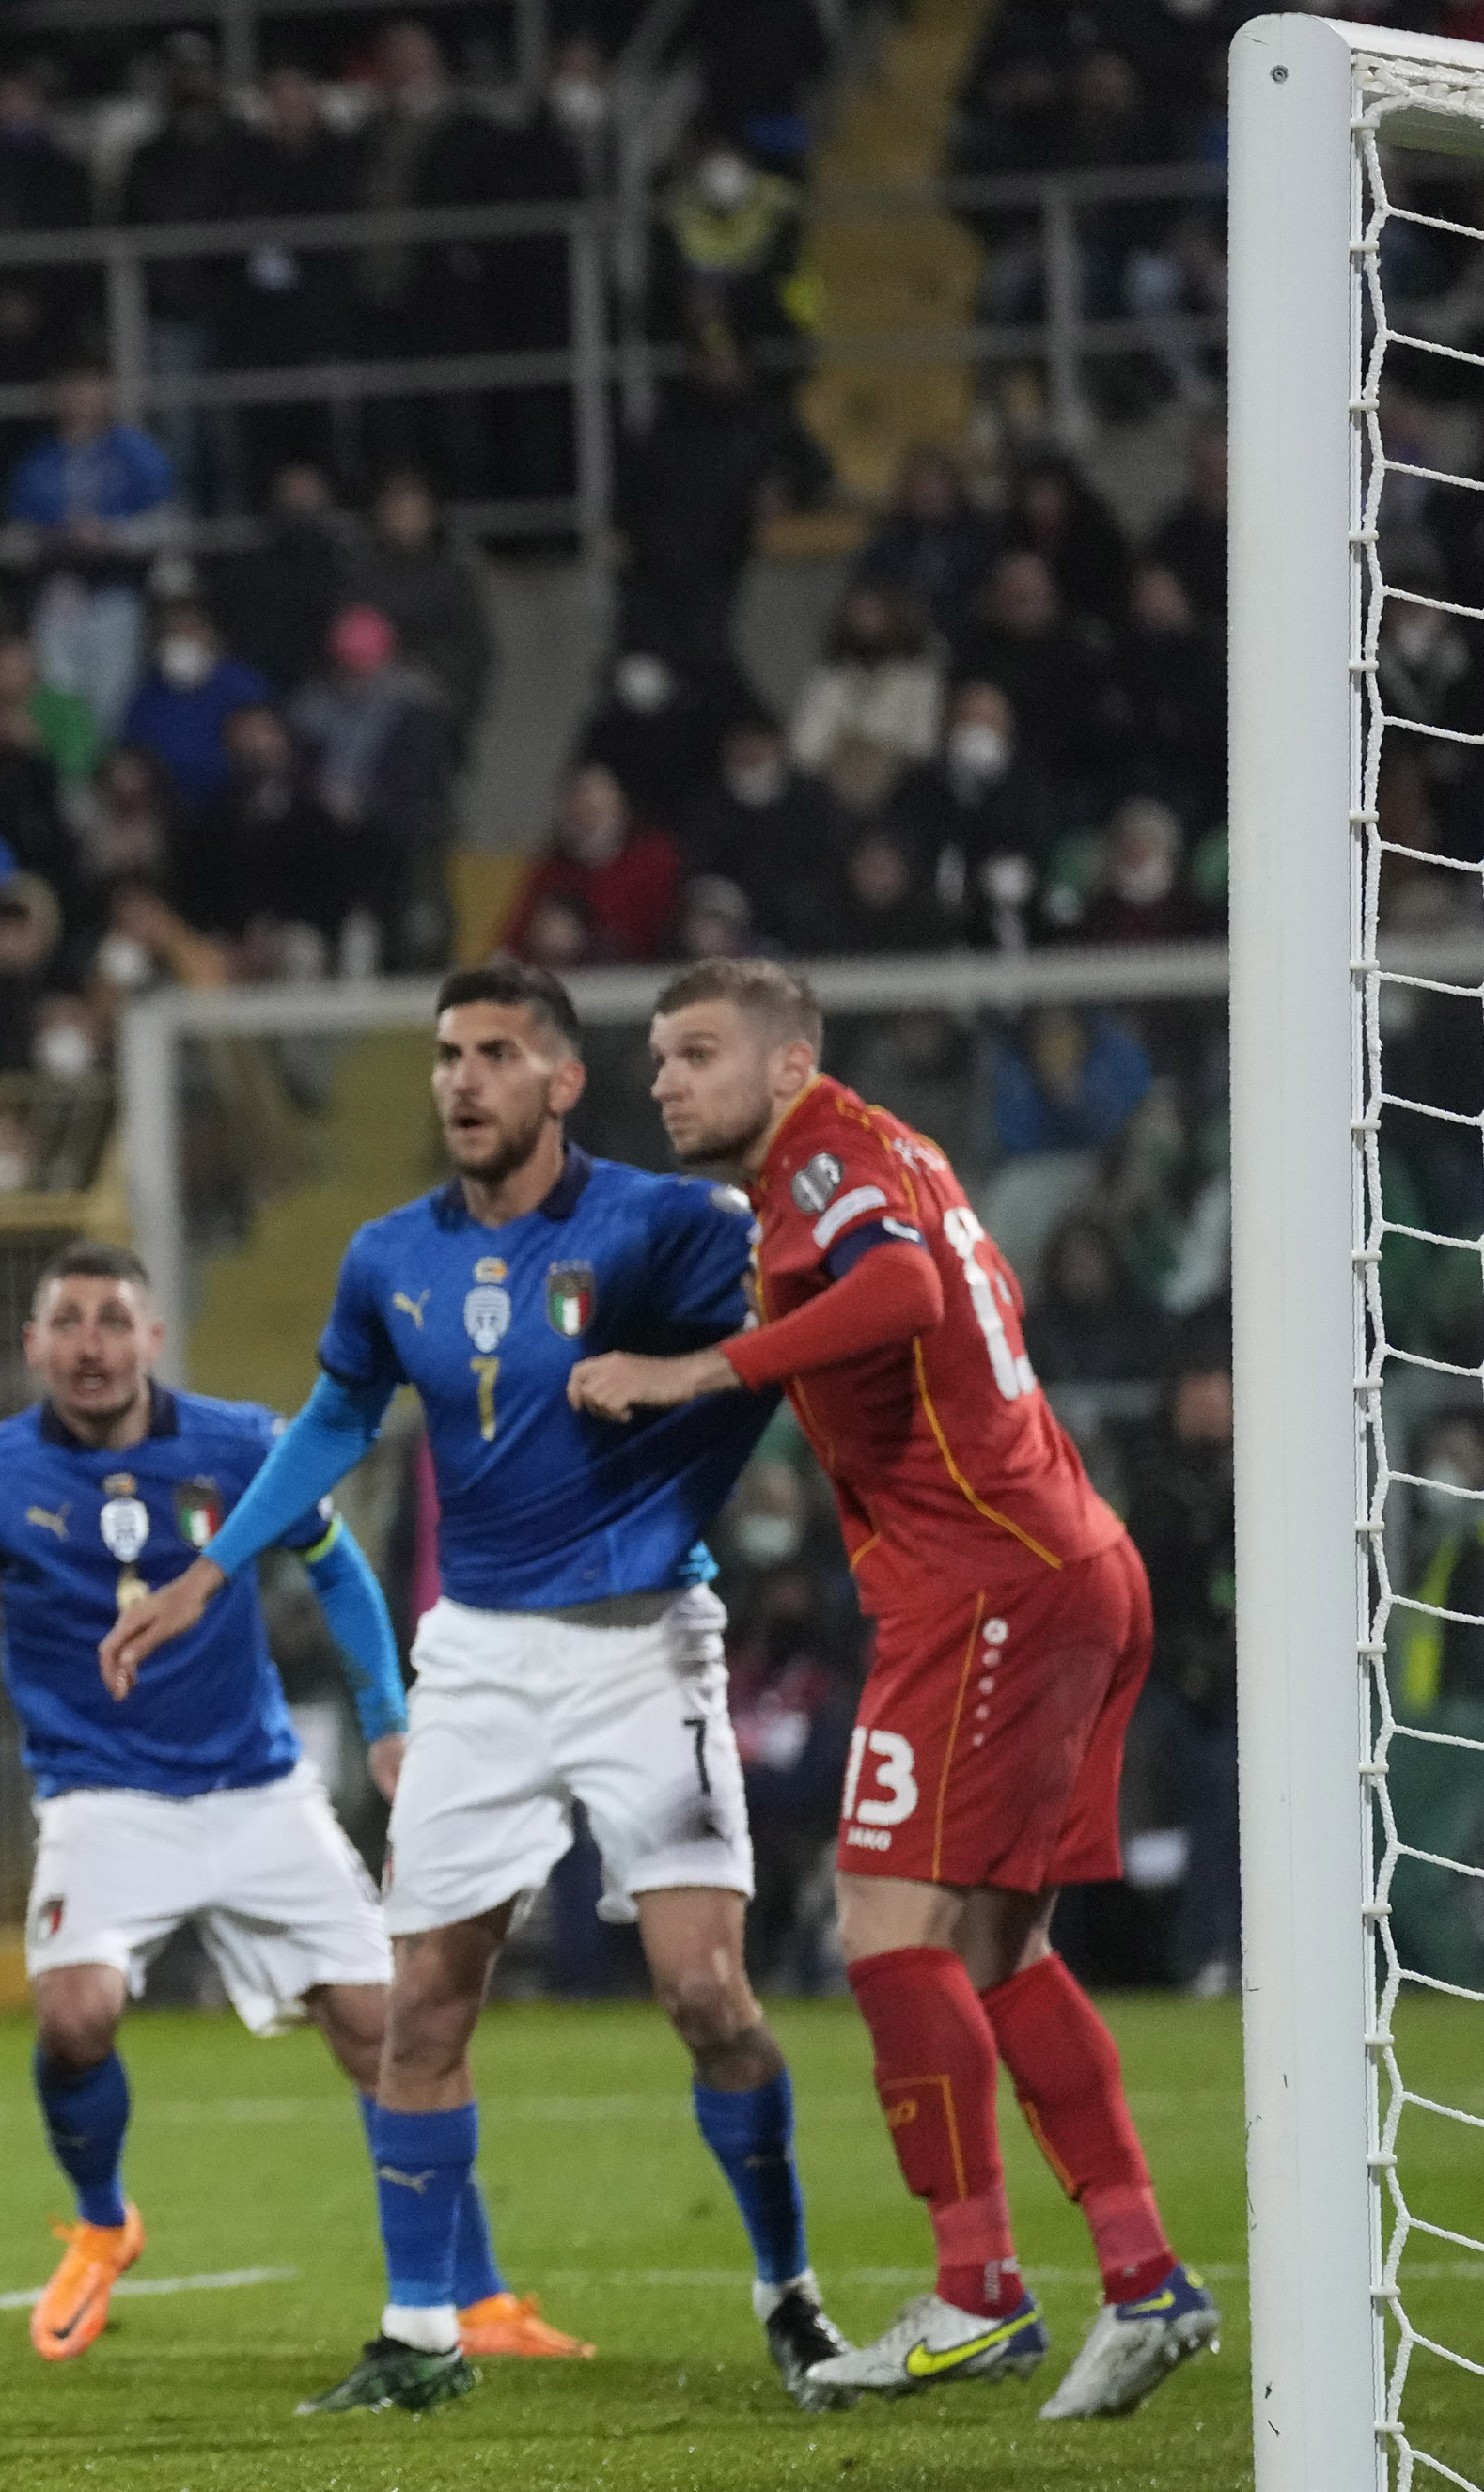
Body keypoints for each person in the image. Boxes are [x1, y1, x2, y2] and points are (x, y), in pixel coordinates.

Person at [106, 961, 846, 2415]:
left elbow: (779, 1349)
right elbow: (329, 1420)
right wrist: (213, 1570)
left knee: (702, 1990)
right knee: (421, 2001)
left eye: (495, 1053)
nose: (460, 1078)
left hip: (644, 1645)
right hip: (478, 1658)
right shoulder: (389, 1254)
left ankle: (790, 2293)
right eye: (446, 1052)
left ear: (561, 1082)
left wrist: (682, 1387)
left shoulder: (663, 1223)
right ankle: (418, 2328)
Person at [569, 958, 1221, 2420]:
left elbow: (902, 1287)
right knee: (995, 1944)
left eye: (695, 1050)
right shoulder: (874, 1150)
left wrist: (696, 1372)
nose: (663, 1077)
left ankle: (978, 2289)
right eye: (656, 1054)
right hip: (1056, 1559)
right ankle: (1140, 2273)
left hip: (984, 1580)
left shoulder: (825, 1156)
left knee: (881, 1925)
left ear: (790, 1059)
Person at [0, 1244, 588, 2374]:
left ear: (153, 1339)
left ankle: (478, 2297)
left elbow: (338, 1568)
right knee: (75, 2015)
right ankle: (104, 2219)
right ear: (34, 1346)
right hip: (102, 1798)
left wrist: (389, 1718)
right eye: (70, 1322)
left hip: (257, 1789)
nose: (92, 1344)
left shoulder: (239, 1443)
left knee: (387, 2031)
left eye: (114, 1320)